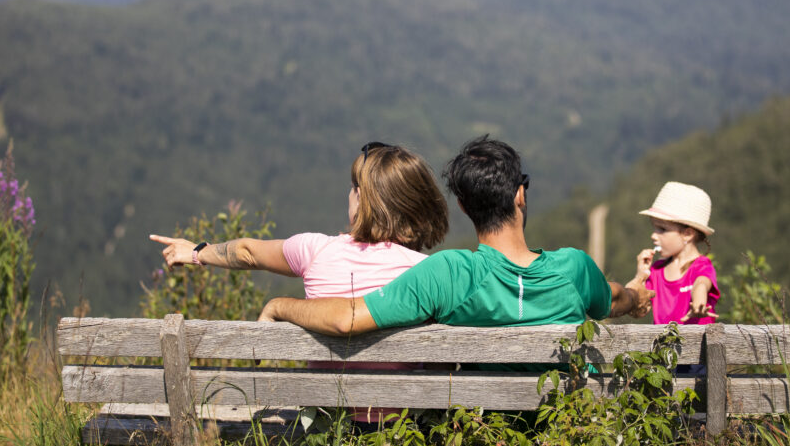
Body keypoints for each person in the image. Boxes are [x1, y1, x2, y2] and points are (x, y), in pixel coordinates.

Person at [150, 141, 449, 427]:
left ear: (361, 199)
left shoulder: (315, 250)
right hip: (402, 434)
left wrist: (195, 251)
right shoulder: (429, 273)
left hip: (324, 427)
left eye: (353, 188)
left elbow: (247, 252)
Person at [257, 135, 654, 336]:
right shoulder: (575, 269)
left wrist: (280, 305)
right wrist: (639, 295)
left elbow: (347, 318)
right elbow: (615, 298)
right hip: (565, 442)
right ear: (520, 195)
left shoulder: (447, 273)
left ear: (463, 207)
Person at [633, 181, 719, 326]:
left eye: (662, 229)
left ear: (687, 234)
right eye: (654, 228)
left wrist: (699, 303)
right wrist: (640, 275)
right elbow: (638, 310)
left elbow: (701, 284)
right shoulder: (656, 271)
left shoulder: (702, 266)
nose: (654, 236)